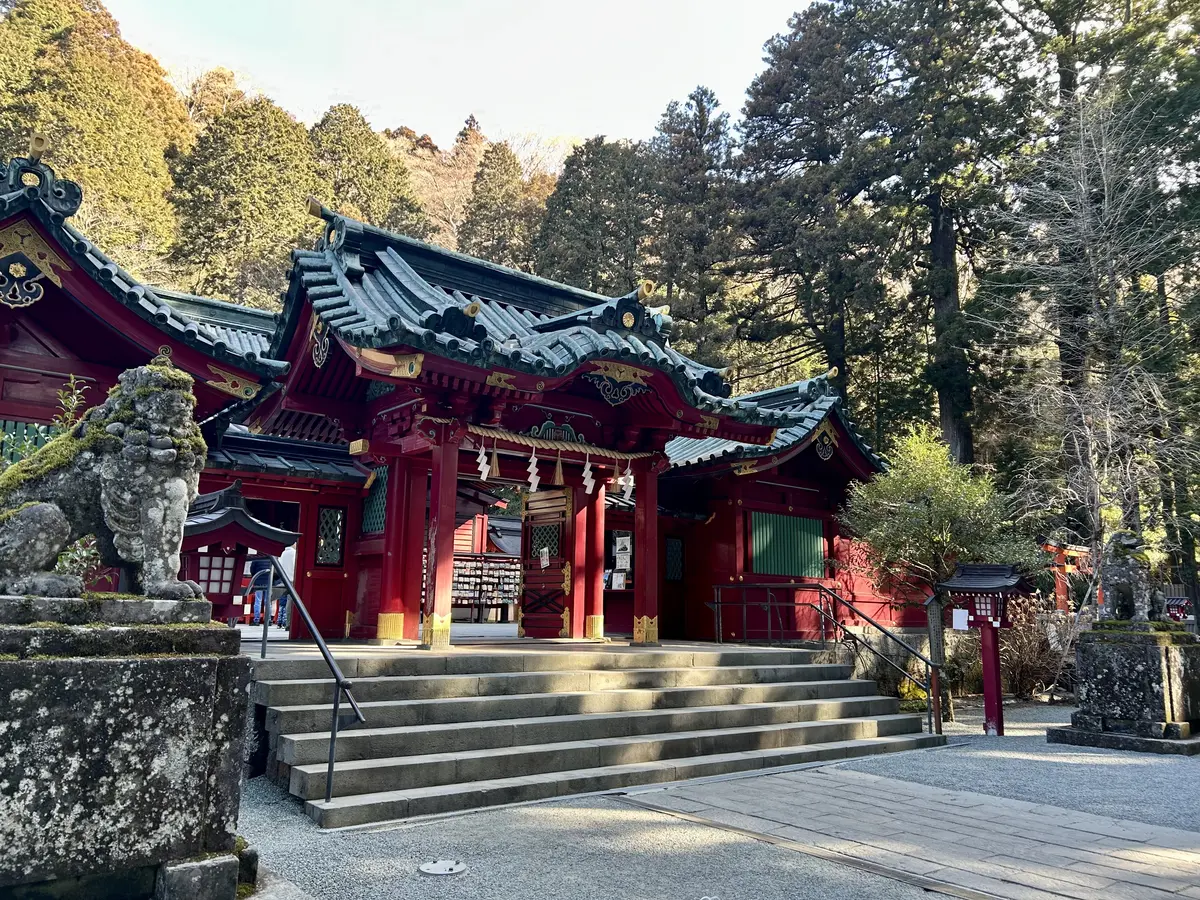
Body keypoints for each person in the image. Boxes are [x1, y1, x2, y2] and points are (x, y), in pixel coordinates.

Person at [274, 544, 297, 627]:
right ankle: (289, 623)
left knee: (283, 602)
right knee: (291, 602)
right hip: (293, 579)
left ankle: (284, 622)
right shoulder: (294, 553)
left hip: (284, 579)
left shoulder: (282, 554)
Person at [248, 556, 272, 624]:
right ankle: (268, 620)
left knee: (258, 601)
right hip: (268, 581)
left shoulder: (257, 558)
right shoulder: (270, 558)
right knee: (268, 601)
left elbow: (252, 569)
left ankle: (256, 620)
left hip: (258, 581)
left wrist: (255, 577)